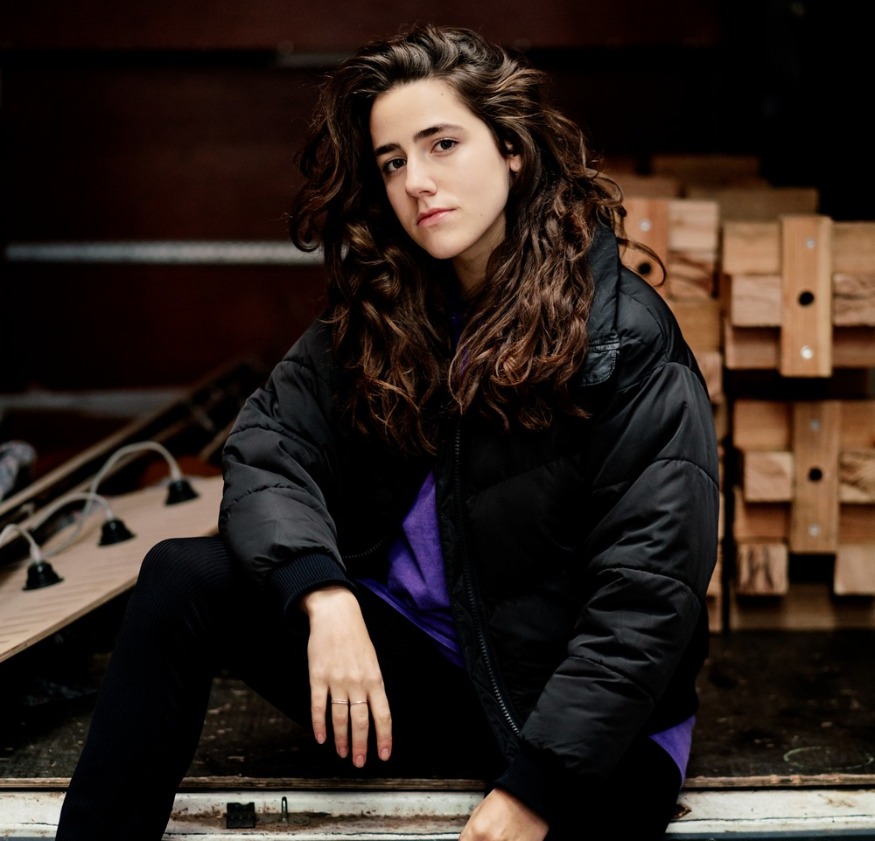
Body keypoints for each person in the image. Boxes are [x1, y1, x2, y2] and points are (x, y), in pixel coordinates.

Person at [55, 23, 719, 841]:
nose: (417, 182)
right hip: (418, 671)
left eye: (442, 144)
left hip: (579, 719)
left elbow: (648, 592)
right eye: (393, 161)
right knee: (182, 575)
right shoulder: (391, 302)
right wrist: (324, 593)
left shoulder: (621, 335)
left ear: (512, 149)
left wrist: (535, 790)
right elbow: (268, 447)